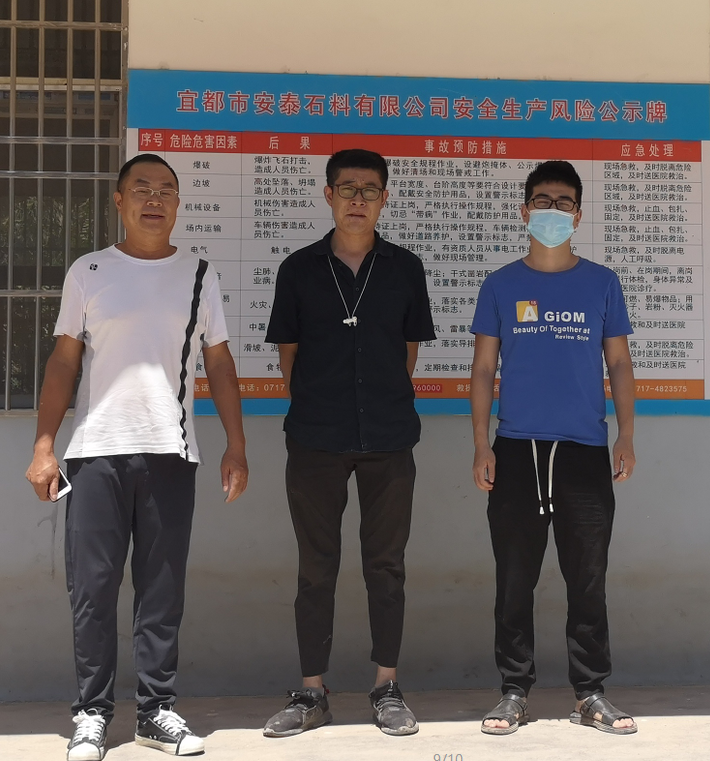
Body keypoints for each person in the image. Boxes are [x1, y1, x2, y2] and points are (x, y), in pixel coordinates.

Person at [25, 153, 249, 760]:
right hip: (94, 453)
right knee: (92, 591)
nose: (155, 199)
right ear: (119, 201)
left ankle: (156, 711)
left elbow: (220, 363)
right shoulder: (90, 270)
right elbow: (64, 361)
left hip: (171, 452)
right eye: (142, 188)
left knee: (161, 591)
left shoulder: (199, 273)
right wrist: (44, 445)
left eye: (166, 190)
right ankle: (92, 714)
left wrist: (236, 445)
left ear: (178, 204)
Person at [263, 148, 435, 738]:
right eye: (346, 188)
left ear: (384, 199)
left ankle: (386, 686)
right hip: (316, 438)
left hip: (389, 436)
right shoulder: (299, 269)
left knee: (386, 566)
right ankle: (312, 693)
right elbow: (288, 356)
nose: (357, 199)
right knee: (316, 569)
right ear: (328, 195)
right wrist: (324, 405)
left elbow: (409, 351)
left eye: (369, 190)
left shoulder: (405, 268)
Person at [469, 160, 638, 736]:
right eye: (542, 201)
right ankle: (513, 692)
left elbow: (619, 363)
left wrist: (626, 435)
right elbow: (483, 368)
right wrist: (481, 444)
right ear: (524, 211)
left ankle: (590, 692)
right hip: (516, 448)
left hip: (584, 449)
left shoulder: (602, 282)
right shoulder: (501, 284)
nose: (553, 211)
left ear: (578, 215)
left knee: (587, 577)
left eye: (564, 203)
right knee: (515, 576)